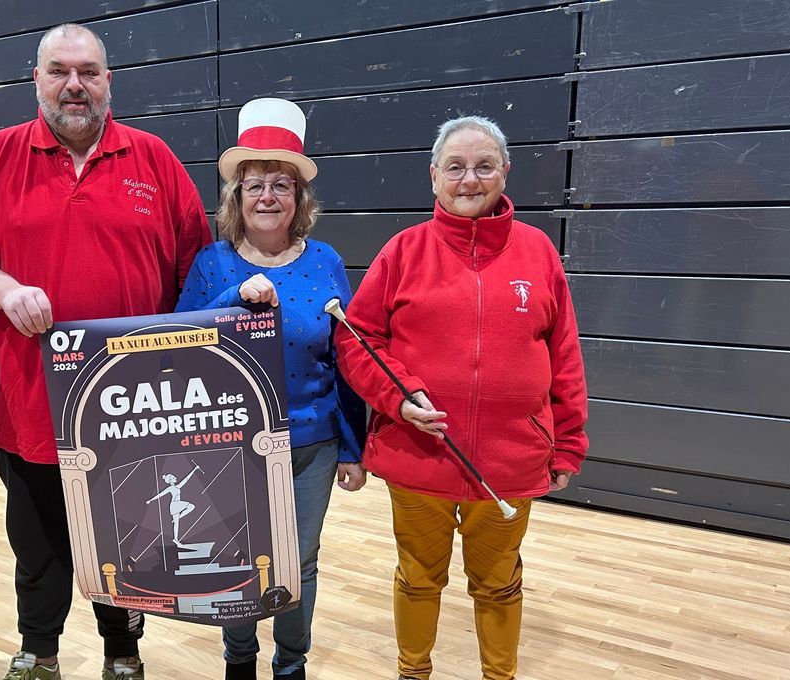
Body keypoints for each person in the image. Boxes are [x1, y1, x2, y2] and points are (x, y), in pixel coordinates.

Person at [0, 23, 211, 680]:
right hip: (31, 403)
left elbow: (199, 273)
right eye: (59, 70)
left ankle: (123, 655)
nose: (74, 84)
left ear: (108, 82)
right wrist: (4, 291)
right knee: (38, 548)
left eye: (88, 71)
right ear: (35, 80)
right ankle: (40, 653)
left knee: (128, 542)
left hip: (134, 409)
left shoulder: (154, 160)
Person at [334, 115, 588, 680]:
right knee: (418, 579)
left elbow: (564, 354)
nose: (469, 179)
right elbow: (357, 342)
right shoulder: (402, 252)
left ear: (504, 172)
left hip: (510, 461)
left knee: (499, 586)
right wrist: (397, 401)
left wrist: (567, 443)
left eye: (483, 166)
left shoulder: (539, 253)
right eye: (455, 167)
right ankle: (413, 672)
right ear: (433, 177)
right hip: (417, 461)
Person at [175, 97, 367, 680]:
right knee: (239, 560)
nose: (267, 196)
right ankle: (239, 661)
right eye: (254, 184)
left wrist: (354, 449)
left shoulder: (326, 261)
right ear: (236, 197)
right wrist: (233, 300)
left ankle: (291, 663)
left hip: (310, 443)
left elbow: (348, 357)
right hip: (229, 443)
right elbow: (178, 341)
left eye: (281, 184)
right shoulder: (212, 263)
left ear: (299, 198)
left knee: (300, 561)